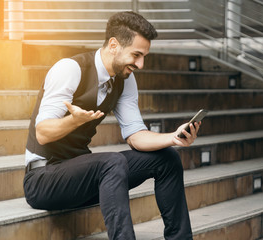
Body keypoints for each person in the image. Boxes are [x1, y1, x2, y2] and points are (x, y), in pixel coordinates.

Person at [23, 11, 200, 240]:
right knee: (111, 162)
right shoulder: (69, 69)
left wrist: (174, 138)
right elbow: (43, 133)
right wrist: (72, 121)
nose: (141, 64)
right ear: (114, 45)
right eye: (136, 55)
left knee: (167, 158)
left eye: (144, 56)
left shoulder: (124, 80)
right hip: (43, 180)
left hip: (81, 178)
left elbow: (136, 135)